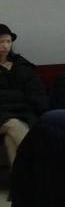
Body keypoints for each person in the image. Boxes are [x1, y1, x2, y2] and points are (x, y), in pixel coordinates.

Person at [0, 23, 47, 166]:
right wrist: (19, 95)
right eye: (1, 41)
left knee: (12, 138)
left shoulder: (21, 64)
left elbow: (36, 91)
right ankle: (42, 170)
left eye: (8, 41)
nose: (5, 46)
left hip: (24, 112)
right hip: (3, 114)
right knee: (15, 125)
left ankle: (19, 179)